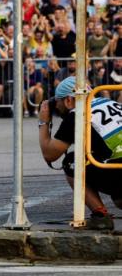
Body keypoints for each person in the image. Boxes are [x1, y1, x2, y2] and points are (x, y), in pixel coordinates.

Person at [38, 77, 122, 230]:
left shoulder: (78, 114)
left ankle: (101, 216)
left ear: (69, 100)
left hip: (118, 171)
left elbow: (50, 155)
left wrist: (43, 122)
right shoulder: (111, 103)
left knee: (71, 161)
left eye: (58, 102)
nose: (57, 107)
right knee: (118, 200)